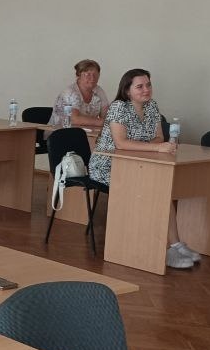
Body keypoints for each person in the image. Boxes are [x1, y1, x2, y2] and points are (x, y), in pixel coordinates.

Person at [89, 69, 200, 270]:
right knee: (156, 191)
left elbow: (159, 137)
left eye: (148, 85)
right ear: (127, 90)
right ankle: (160, 250)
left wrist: (150, 146)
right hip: (109, 165)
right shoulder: (118, 107)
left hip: (140, 161)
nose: (146, 89)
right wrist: (154, 147)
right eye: (139, 86)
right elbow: (121, 143)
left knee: (163, 189)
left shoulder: (152, 106)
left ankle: (175, 246)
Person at [51, 58, 109, 130]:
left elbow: (107, 117)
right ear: (78, 75)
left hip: (87, 133)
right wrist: (102, 122)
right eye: (88, 74)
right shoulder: (69, 93)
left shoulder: (99, 91)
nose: (92, 78)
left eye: (95, 74)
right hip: (59, 132)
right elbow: (73, 119)